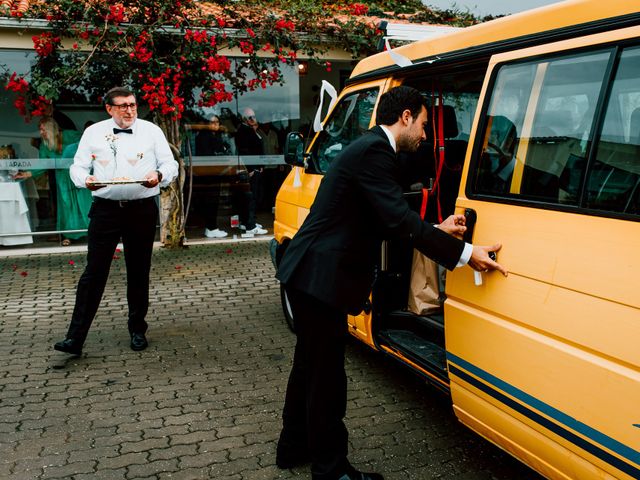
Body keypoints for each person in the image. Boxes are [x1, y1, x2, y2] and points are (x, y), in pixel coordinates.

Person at [275, 86, 508, 480]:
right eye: (421, 123)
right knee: (326, 379)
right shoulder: (375, 152)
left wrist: (435, 228)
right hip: (319, 279)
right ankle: (331, 471)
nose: (424, 134)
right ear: (404, 118)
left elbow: (383, 218)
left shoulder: (368, 150)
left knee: (309, 368)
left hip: (311, 274)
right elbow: (398, 221)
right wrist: (467, 254)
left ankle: (292, 446)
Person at [53, 86, 178, 355]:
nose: (129, 110)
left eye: (132, 105)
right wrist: (85, 180)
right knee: (93, 273)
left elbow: (171, 166)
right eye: (122, 105)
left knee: (138, 270)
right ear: (109, 109)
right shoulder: (93, 132)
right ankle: (75, 338)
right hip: (105, 210)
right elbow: (77, 166)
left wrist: (159, 174)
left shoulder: (152, 131)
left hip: (141, 209)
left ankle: (137, 330)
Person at [195, 114, 235, 239]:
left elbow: (224, 149)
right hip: (209, 175)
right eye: (212, 122)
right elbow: (211, 154)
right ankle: (211, 227)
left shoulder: (214, 136)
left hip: (214, 173)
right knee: (211, 201)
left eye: (217, 122)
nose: (216, 124)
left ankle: (211, 227)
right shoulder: (204, 136)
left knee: (213, 201)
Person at [234, 107, 267, 235]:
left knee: (251, 197)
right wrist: (251, 168)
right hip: (251, 170)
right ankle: (250, 225)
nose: (253, 119)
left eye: (254, 116)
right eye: (250, 117)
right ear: (244, 119)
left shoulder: (250, 130)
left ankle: (247, 222)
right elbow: (245, 151)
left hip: (255, 168)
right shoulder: (244, 131)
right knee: (251, 198)